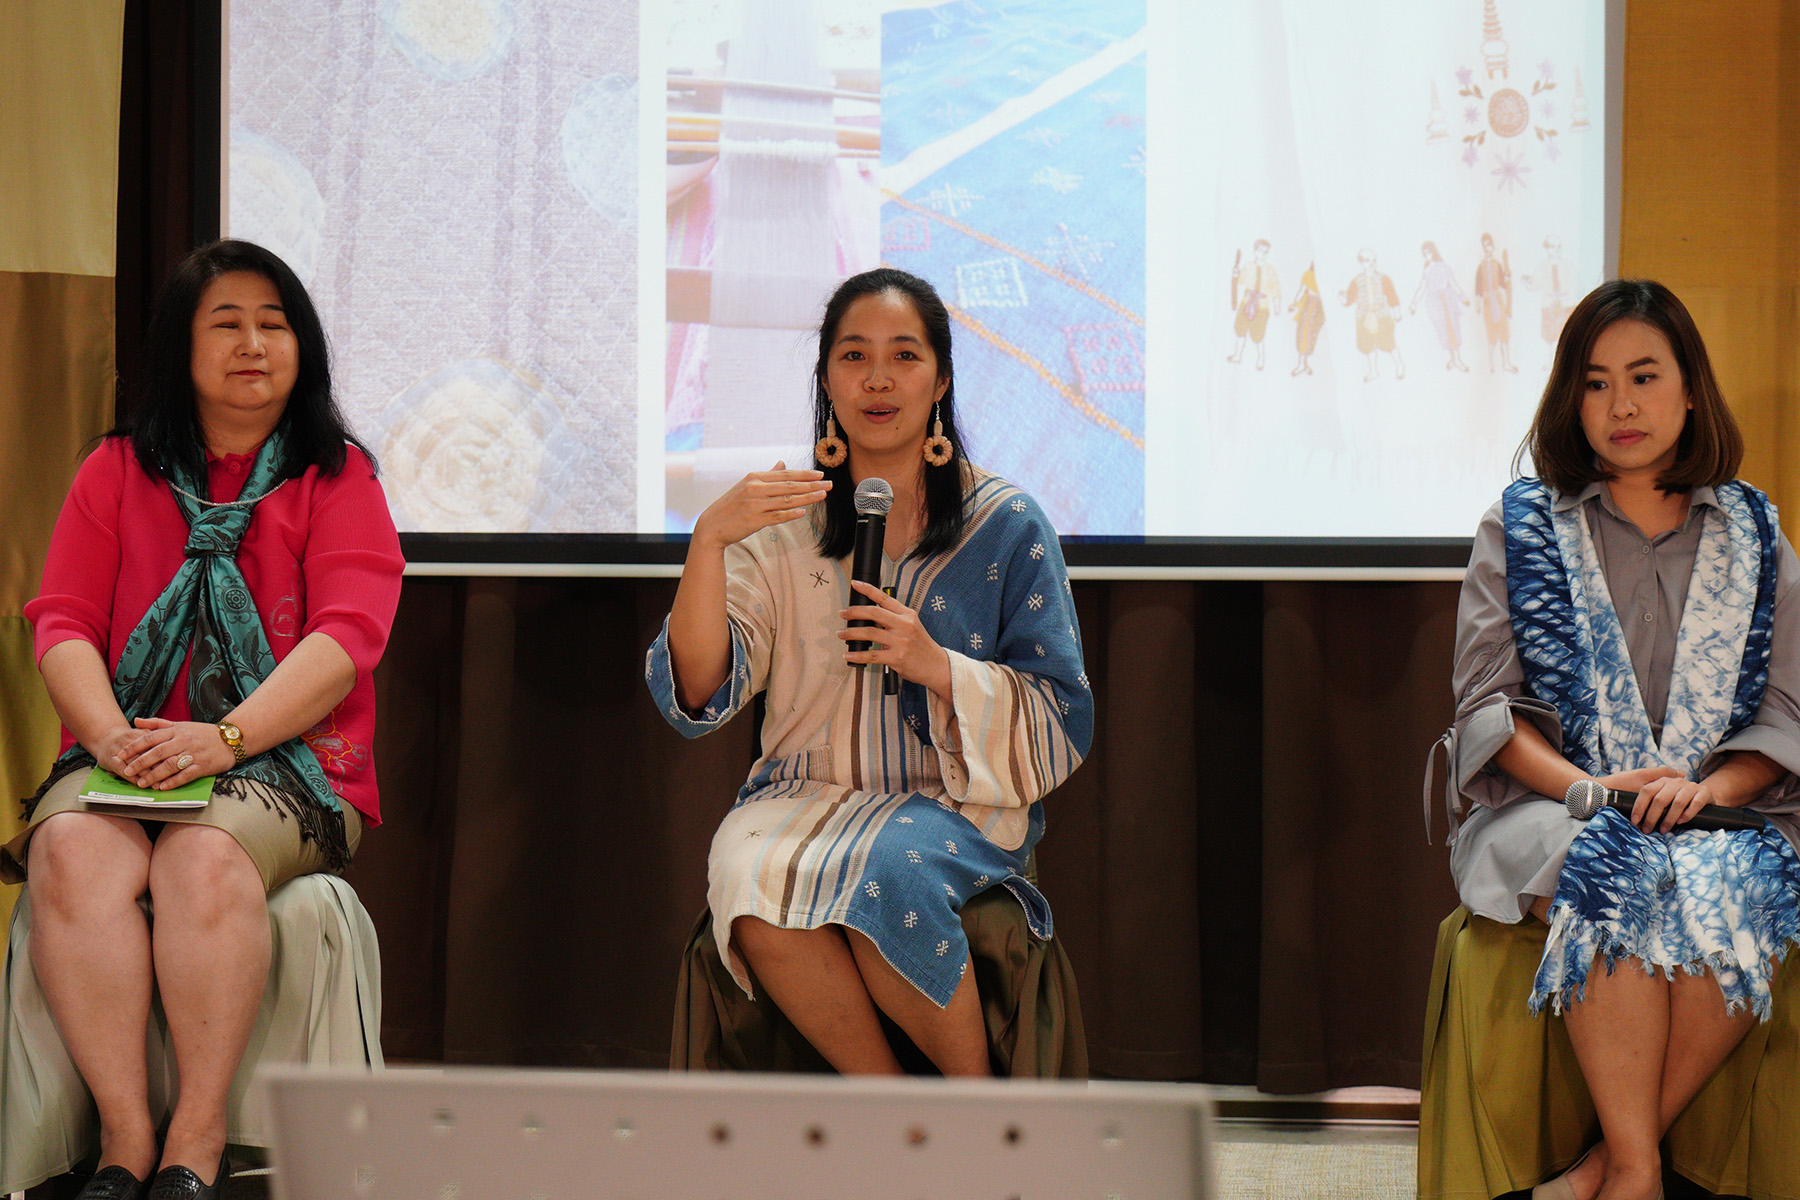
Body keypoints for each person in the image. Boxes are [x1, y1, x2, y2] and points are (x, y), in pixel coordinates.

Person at [2, 240, 404, 1200]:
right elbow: (63, 623)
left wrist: (222, 741)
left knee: (201, 854)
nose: (254, 344)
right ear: (178, 349)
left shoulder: (339, 475)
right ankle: (124, 1140)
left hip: (286, 765)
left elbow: (346, 639)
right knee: (70, 851)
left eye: (274, 324)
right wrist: (108, 737)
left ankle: (198, 1137)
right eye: (227, 323)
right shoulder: (114, 470)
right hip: (129, 747)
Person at [646, 267, 1092, 1076]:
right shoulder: (782, 521)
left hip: (948, 802)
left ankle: (980, 1111)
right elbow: (701, 686)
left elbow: (1061, 712)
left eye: (904, 356)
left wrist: (936, 665)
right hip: (799, 794)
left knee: (886, 870)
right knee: (746, 872)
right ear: (826, 379)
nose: (878, 379)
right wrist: (707, 541)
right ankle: (897, 1113)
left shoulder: (1006, 524)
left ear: (941, 380)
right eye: (854, 356)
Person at [1440, 279, 1800, 1200]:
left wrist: (1707, 792)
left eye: (1644, 376)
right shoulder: (1520, 525)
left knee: (1742, 879)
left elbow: (1786, 714)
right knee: (1614, 860)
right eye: (1595, 383)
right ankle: (1638, 1170)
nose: (1621, 405)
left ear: (1691, 389)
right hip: (1556, 806)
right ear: (1572, 399)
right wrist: (1591, 791)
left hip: (1719, 810)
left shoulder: (1756, 532)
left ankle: (1607, 1170)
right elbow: (1488, 710)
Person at [1339, 248, 1405, 382]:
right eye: (1367, 260)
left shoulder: (1383, 278)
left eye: (1373, 260)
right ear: (1361, 263)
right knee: (1367, 345)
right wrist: (1343, 298)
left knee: (1388, 343)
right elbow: (1350, 299)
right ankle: (1373, 371)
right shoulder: (1356, 281)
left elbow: (1392, 295)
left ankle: (1399, 364)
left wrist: (1397, 312)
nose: (1371, 263)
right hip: (1363, 316)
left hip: (1381, 315)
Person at [1409, 240, 1470, 372]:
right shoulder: (1427, 270)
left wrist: (1462, 296)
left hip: (1448, 301)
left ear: (1433, 252)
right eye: (1424, 254)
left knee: (1453, 328)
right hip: (1435, 304)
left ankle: (1458, 359)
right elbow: (1422, 287)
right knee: (1444, 330)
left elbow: (1453, 283)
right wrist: (1414, 302)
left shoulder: (1443, 266)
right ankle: (1453, 358)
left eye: (1428, 253)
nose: (1426, 256)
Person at [1228, 239, 1281, 370]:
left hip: (1261, 306)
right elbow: (1240, 280)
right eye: (1260, 250)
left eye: (1265, 252)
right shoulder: (1248, 267)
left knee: (1258, 334)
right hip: (1246, 303)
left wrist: (1277, 306)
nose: (1262, 254)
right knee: (1240, 329)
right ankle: (1237, 355)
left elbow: (1275, 289)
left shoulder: (1270, 270)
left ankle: (1261, 359)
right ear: (1255, 250)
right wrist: (1236, 274)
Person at [1473, 233, 1518, 374]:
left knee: (1504, 334)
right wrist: (1477, 303)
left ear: (1492, 247)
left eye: (1489, 245)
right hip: (1487, 303)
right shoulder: (1480, 267)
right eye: (1484, 246)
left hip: (1498, 302)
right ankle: (1490, 365)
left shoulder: (1497, 265)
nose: (1487, 249)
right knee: (1491, 336)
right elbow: (1478, 288)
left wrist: (1507, 277)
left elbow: (1504, 284)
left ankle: (1506, 363)